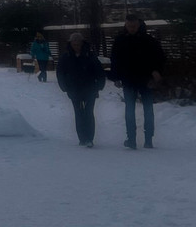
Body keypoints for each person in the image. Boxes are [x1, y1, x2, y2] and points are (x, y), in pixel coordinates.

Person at [109, 14, 165, 149]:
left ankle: (148, 139)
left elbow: (159, 57)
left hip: (146, 79)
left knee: (148, 109)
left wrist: (156, 71)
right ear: (125, 25)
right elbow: (115, 59)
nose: (131, 28)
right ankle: (131, 139)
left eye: (134, 26)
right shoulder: (120, 40)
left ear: (139, 25)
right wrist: (116, 76)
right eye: (129, 26)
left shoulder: (149, 40)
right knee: (129, 110)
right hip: (128, 79)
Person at [56, 32, 106, 147]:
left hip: (90, 89)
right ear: (71, 44)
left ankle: (89, 138)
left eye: (78, 44)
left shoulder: (90, 55)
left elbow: (99, 70)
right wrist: (64, 86)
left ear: (82, 44)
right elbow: (60, 72)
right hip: (73, 89)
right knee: (78, 113)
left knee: (88, 113)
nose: (76, 46)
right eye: (74, 44)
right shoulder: (66, 57)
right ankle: (82, 138)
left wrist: (99, 84)